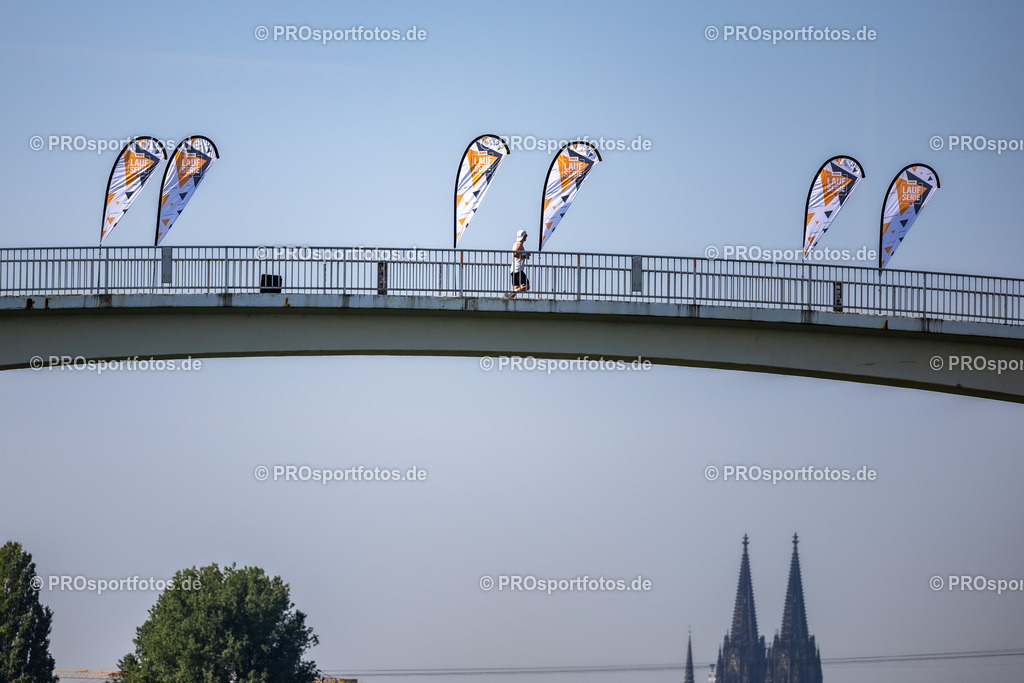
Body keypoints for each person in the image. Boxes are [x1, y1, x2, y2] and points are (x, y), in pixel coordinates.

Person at [508, 229, 530, 298]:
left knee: (516, 288)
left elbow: (518, 254)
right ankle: (510, 294)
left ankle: (509, 298)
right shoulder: (519, 244)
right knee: (527, 286)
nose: (526, 237)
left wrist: (526, 255)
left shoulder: (518, 244)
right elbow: (515, 254)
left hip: (514, 269)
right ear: (523, 236)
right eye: (526, 235)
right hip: (518, 269)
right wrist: (524, 256)